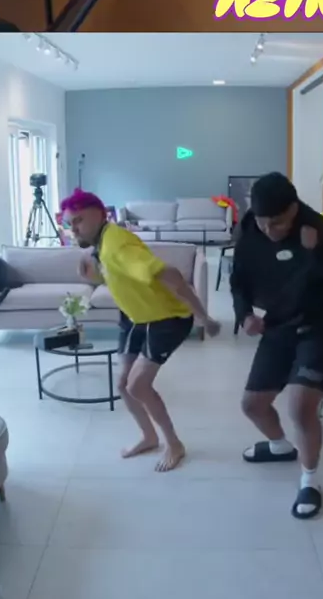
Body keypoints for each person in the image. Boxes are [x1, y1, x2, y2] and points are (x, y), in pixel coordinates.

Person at [60, 188, 221, 472]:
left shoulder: (117, 245)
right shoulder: (103, 243)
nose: (73, 229)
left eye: (79, 220)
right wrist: (96, 276)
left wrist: (204, 317)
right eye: (69, 223)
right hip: (135, 317)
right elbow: (122, 277)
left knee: (138, 385)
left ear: (100, 215)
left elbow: (170, 274)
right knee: (124, 385)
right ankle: (149, 437)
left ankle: (174, 444)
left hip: (166, 318)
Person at [230, 172, 323, 519]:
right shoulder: (250, 229)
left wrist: (318, 253)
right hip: (280, 324)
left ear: (294, 208)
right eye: (263, 222)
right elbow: (238, 281)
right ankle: (279, 446)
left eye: (277, 223)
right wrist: (244, 315)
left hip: (322, 326)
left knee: (301, 407)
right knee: (252, 405)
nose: (269, 230)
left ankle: (310, 480)